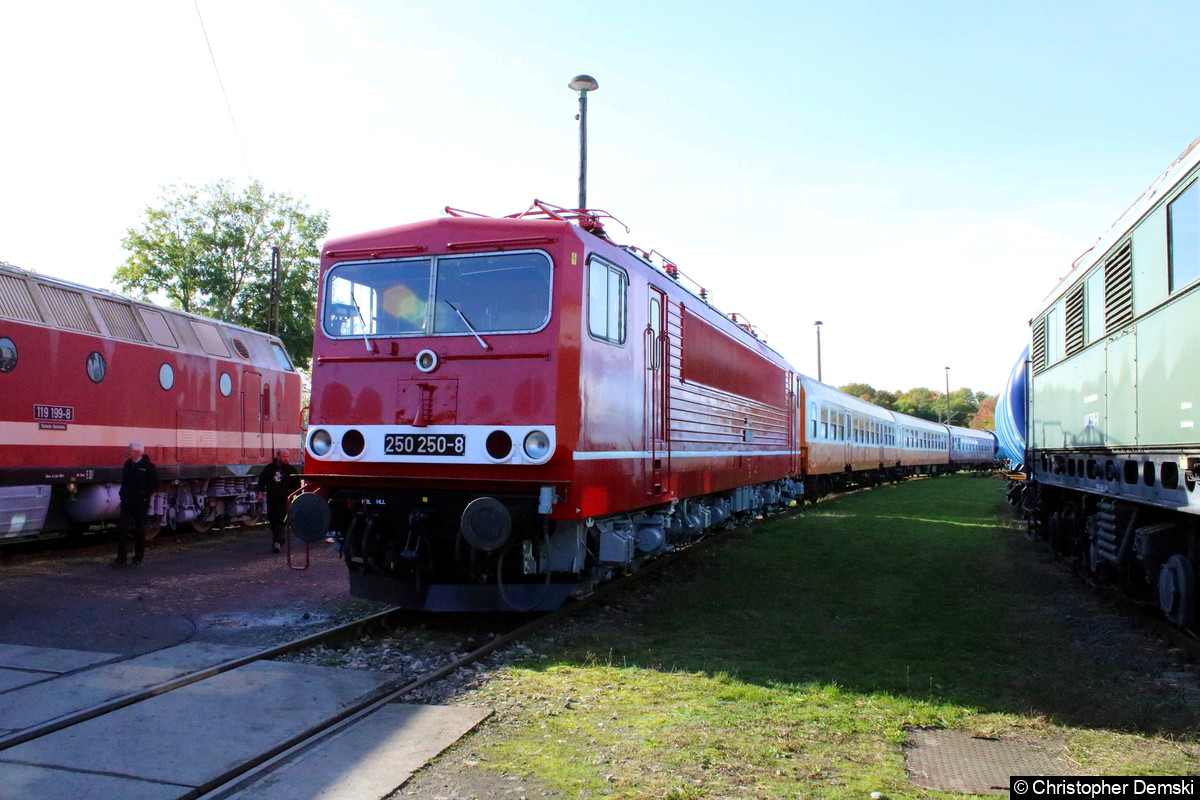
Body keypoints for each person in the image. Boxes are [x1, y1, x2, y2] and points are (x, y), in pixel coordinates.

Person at [115, 442, 158, 567]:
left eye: (130, 450)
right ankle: (121, 559)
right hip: (127, 502)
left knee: (139, 530)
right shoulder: (128, 464)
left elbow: (155, 483)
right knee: (122, 528)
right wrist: (122, 494)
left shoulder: (148, 466)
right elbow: (124, 481)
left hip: (140, 503)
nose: (128, 452)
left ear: (138, 452)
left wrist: (144, 495)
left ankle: (138, 558)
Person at [257, 449, 299, 553]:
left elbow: (297, 484)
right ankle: (280, 540)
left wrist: (296, 496)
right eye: (285, 457)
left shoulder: (291, 470)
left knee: (281, 520)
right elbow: (262, 480)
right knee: (272, 520)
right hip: (272, 499)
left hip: (284, 500)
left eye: (288, 457)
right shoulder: (269, 468)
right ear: (278, 457)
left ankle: (277, 543)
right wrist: (260, 491)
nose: (287, 459)